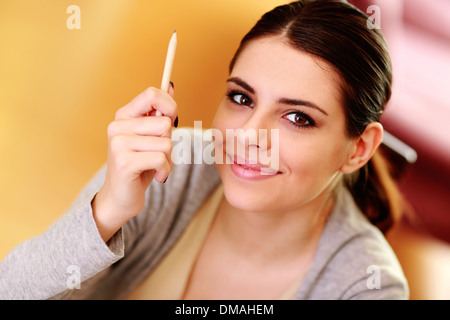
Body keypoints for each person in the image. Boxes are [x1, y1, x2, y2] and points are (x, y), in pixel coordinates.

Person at [0, 0, 409, 300]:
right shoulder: (167, 167)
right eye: (242, 98)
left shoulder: (365, 284)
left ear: (359, 148)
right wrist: (107, 211)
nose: (248, 136)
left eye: (298, 118)